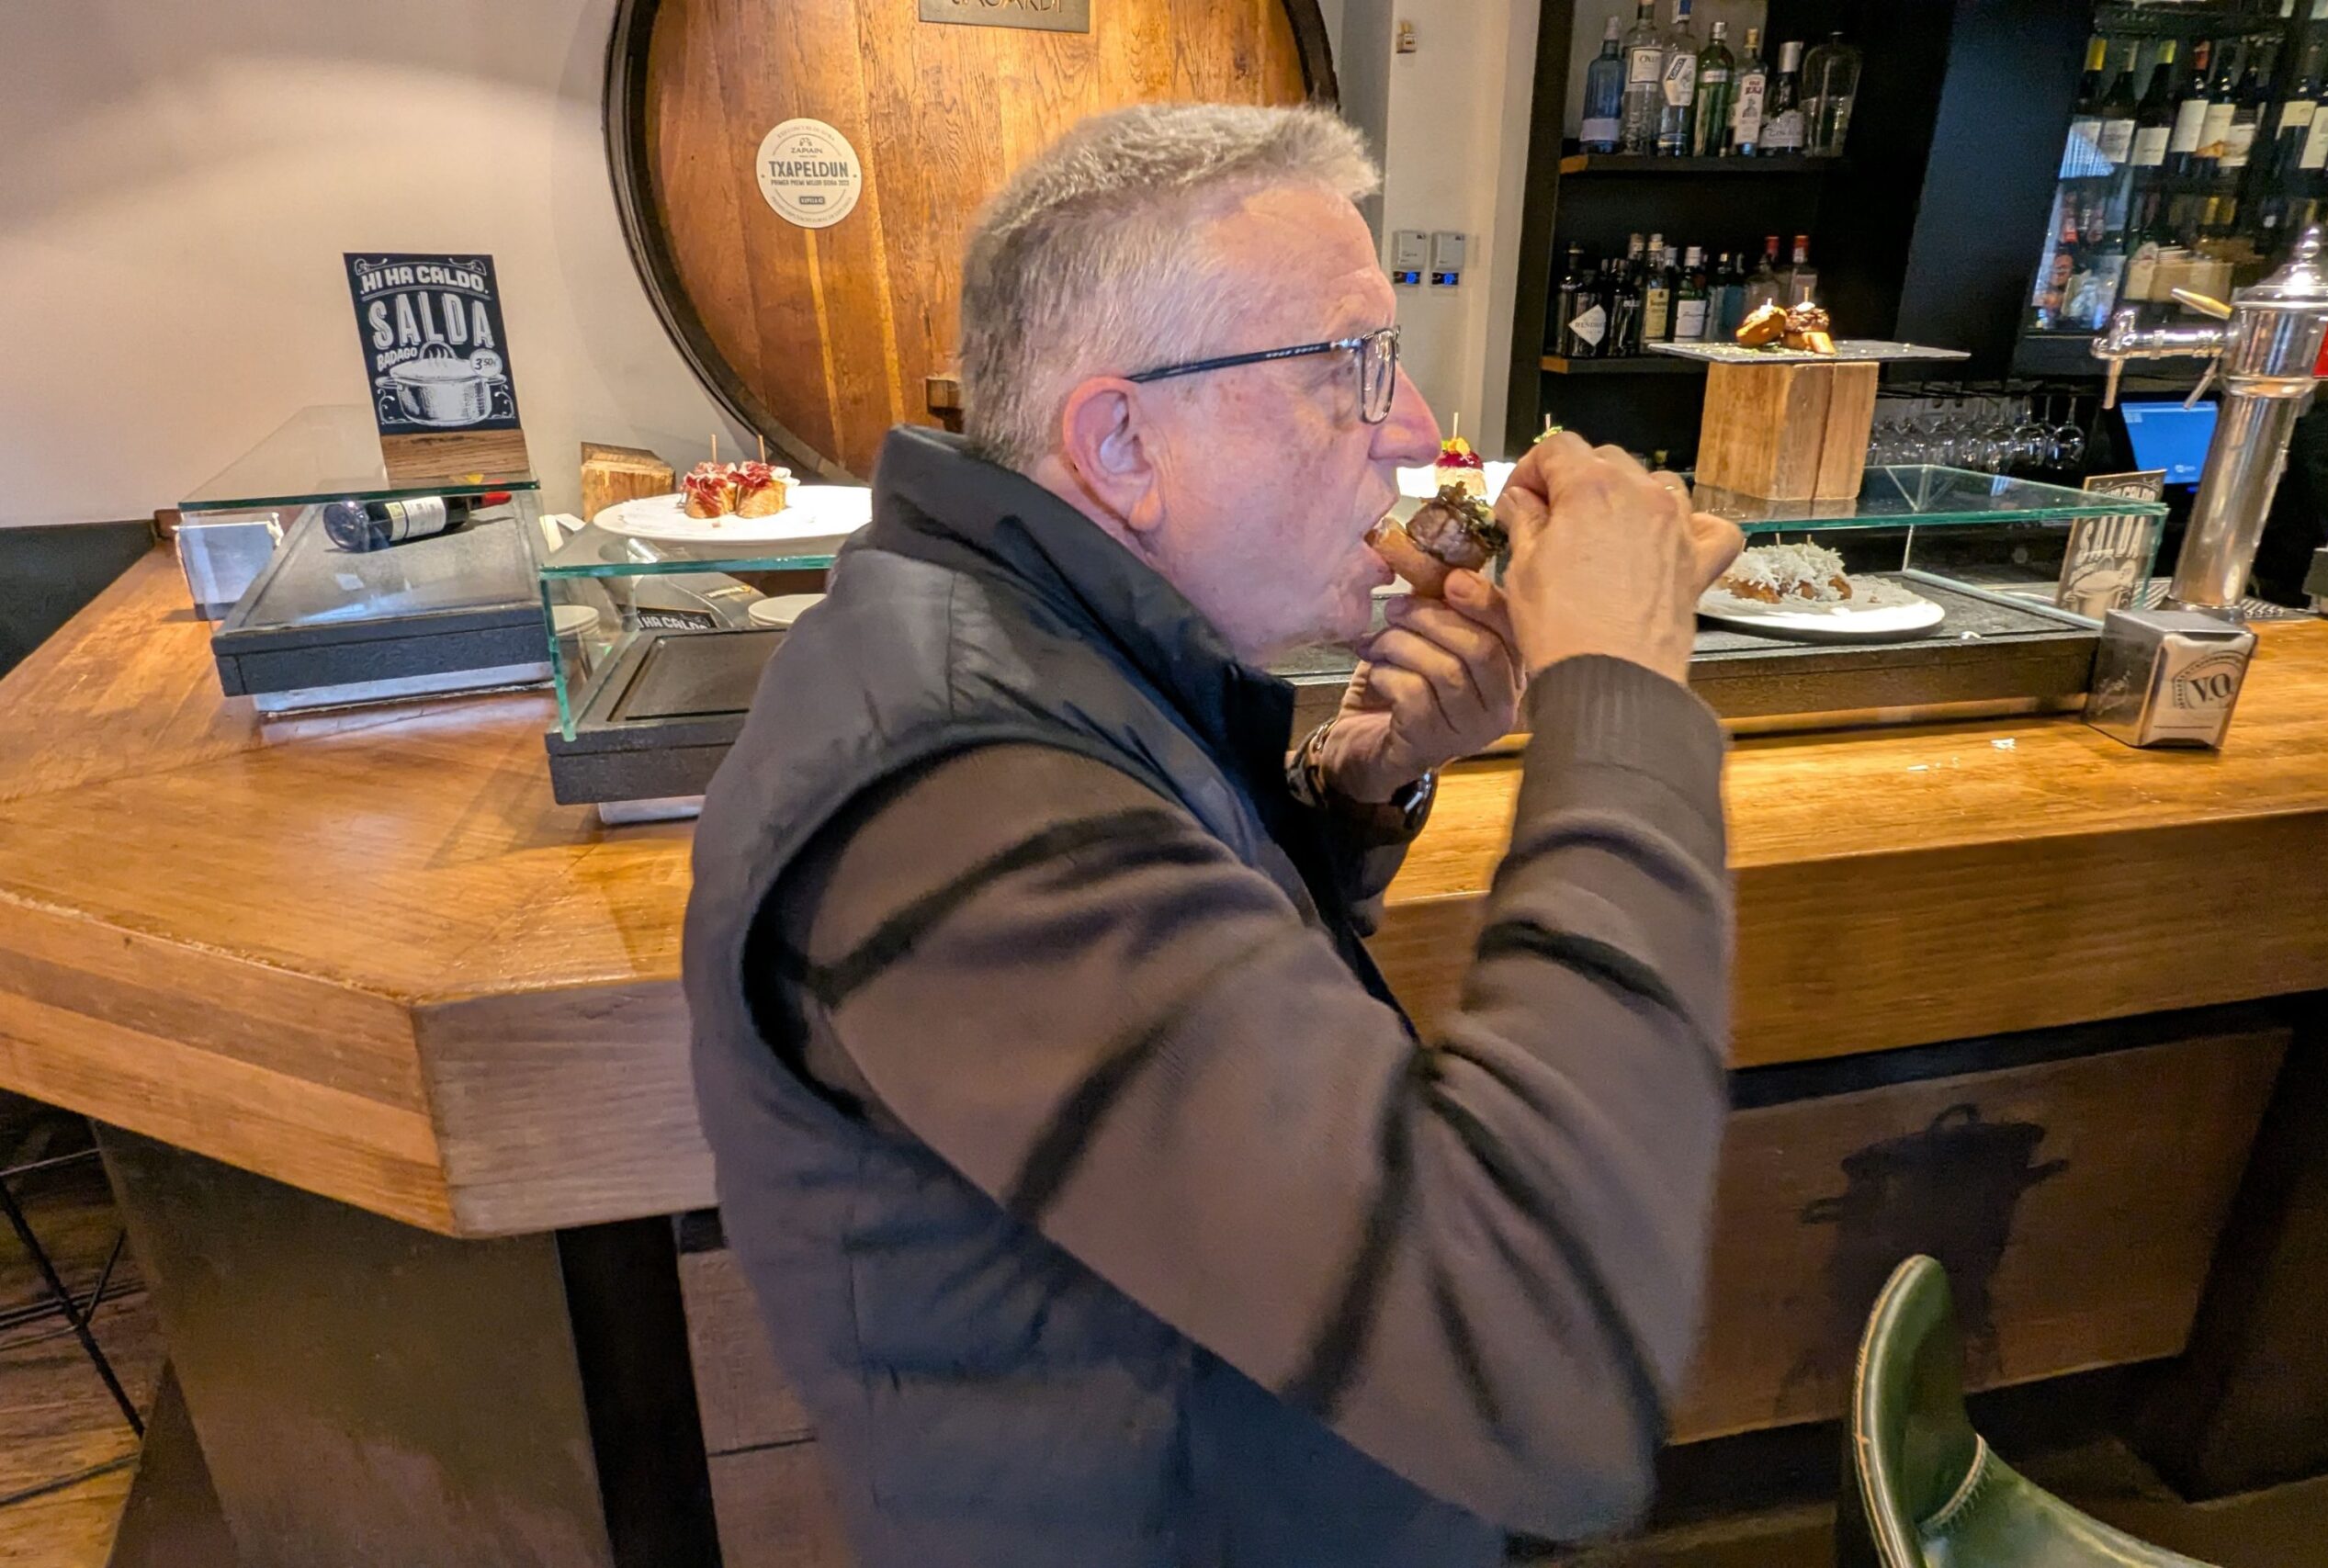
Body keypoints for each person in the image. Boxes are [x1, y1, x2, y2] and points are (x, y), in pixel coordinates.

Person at [684, 102, 1744, 1567]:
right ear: (1122, 442)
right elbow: (1535, 1355)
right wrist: (1616, 697)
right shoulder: (956, 792)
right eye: (1349, 366)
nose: (1417, 431)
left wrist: (1344, 800)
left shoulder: (1036, 648)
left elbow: (1182, 1039)